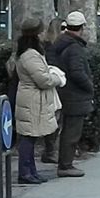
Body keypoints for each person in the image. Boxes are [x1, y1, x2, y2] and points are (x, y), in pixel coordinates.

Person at [14, 18, 65, 184]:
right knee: (28, 138)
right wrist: (57, 78)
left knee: (31, 137)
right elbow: (44, 80)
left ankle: (31, 171)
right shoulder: (30, 56)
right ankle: (25, 172)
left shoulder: (30, 53)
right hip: (32, 101)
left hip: (33, 99)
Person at [49, 10, 94, 177]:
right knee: (72, 132)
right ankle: (66, 165)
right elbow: (77, 72)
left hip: (64, 92)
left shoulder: (60, 42)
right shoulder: (74, 47)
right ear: (82, 27)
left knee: (66, 130)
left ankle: (63, 162)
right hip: (76, 96)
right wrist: (89, 86)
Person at [41, 17, 67, 164]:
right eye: (62, 28)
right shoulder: (50, 46)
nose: (65, 31)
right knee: (54, 120)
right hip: (55, 86)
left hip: (62, 86)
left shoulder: (62, 45)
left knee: (59, 120)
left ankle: (52, 150)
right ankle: (50, 151)